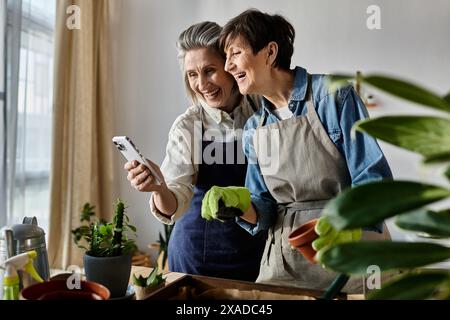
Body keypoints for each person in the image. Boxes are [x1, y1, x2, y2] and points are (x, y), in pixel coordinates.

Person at [201, 9, 393, 291]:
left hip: (352, 251)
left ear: (269, 53)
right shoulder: (255, 127)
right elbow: (264, 210)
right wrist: (240, 204)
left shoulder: (333, 95)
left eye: (235, 53)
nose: (228, 66)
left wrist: (346, 223)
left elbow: (373, 177)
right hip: (286, 262)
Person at [124, 21, 266, 281]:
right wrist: (159, 189)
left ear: (230, 66)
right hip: (197, 256)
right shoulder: (188, 126)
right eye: (192, 74)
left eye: (209, 70)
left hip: (256, 251)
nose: (201, 84)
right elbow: (174, 204)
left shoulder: (263, 110)